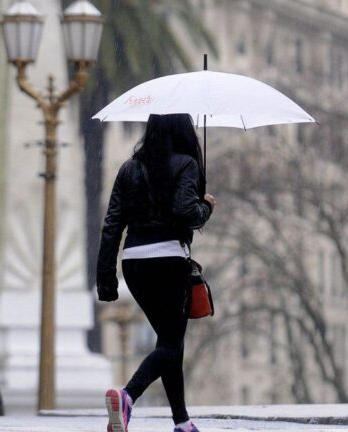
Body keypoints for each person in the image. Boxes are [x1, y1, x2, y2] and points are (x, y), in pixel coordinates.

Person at [96, 114, 216, 432]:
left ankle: (182, 421)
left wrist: (106, 279)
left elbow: (112, 224)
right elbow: (186, 211)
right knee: (171, 344)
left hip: (134, 263)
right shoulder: (186, 164)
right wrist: (206, 206)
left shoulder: (129, 168)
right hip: (169, 261)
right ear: (182, 130)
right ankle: (127, 396)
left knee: (168, 341)